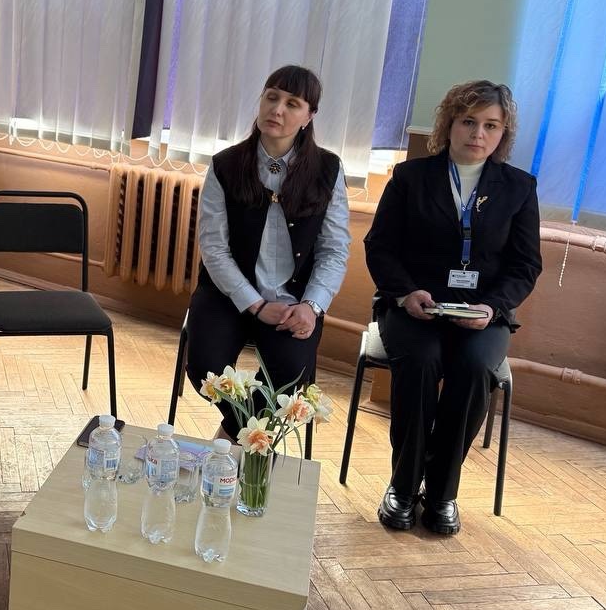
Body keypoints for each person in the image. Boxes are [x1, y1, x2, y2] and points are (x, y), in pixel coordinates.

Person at [364, 80, 542, 535]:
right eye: (468, 121)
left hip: (482, 314)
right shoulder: (410, 178)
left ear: (503, 133)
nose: (478, 134)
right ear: (449, 124)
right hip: (413, 306)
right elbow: (380, 247)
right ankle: (403, 486)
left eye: (491, 125)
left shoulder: (519, 188)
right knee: (420, 361)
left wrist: (493, 307)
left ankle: (443, 492)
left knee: (475, 367)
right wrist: (405, 293)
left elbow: (525, 265)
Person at [186, 65, 351, 442]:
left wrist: (312, 306)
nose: (277, 109)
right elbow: (214, 249)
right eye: (271, 97)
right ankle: (251, 442)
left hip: (294, 302)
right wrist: (256, 304)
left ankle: (229, 444)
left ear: (309, 116)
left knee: (290, 377)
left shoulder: (328, 169)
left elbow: (334, 249)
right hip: (229, 295)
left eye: (292, 103)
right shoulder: (225, 165)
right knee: (206, 369)